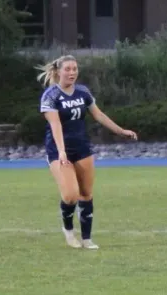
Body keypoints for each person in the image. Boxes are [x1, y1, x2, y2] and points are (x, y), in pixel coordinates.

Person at [38, 55, 138, 250]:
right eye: (67, 69)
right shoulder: (50, 95)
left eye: (75, 69)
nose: (72, 72)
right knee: (70, 195)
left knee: (86, 194)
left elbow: (98, 114)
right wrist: (61, 152)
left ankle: (87, 238)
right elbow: (55, 124)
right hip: (59, 151)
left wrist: (120, 131)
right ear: (58, 71)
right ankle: (68, 231)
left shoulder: (83, 92)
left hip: (82, 148)